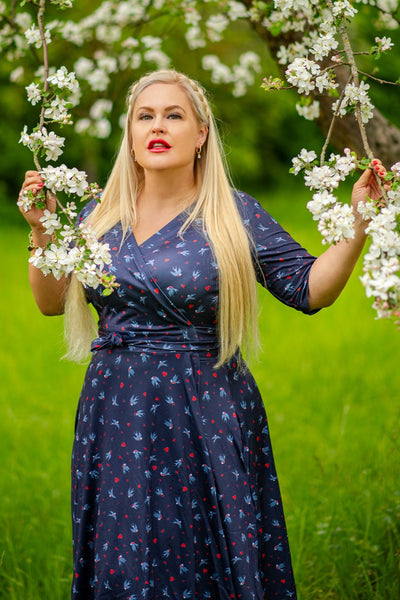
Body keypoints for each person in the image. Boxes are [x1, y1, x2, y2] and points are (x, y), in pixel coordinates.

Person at [18, 69, 389, 600]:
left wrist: (357, 224)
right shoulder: (97, 216)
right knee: (125, 552)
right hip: (115, 410)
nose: (157, 126)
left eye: (174, 115)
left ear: (202, 133)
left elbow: (310, 289)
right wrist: (40, 231)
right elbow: (50, 302)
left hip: (206, 407)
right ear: (130, 135)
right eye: (144, 116)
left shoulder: (233, 215)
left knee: (204, 548)